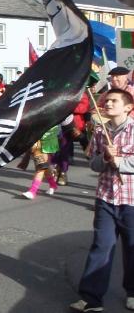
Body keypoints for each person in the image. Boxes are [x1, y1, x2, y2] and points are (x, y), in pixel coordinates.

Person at [70, 88, 134, 312]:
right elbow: (94, 165)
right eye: (106, 101)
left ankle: (133, 292)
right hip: (106, 198)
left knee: (132, 247)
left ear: (128, 107)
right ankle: (91, 298)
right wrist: (105, 158)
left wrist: (122, 163)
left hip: (131, 201)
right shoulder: (100, 131)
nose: (107, 104)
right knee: (101, 246)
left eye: (113, 101)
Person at [20, 126, 60, 200]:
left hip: (48, 143)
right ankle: (53, 185)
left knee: (41, 167)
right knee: (44, 167)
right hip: (36, 143)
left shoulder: (57, 115)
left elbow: (67, 123)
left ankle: (33, 191)